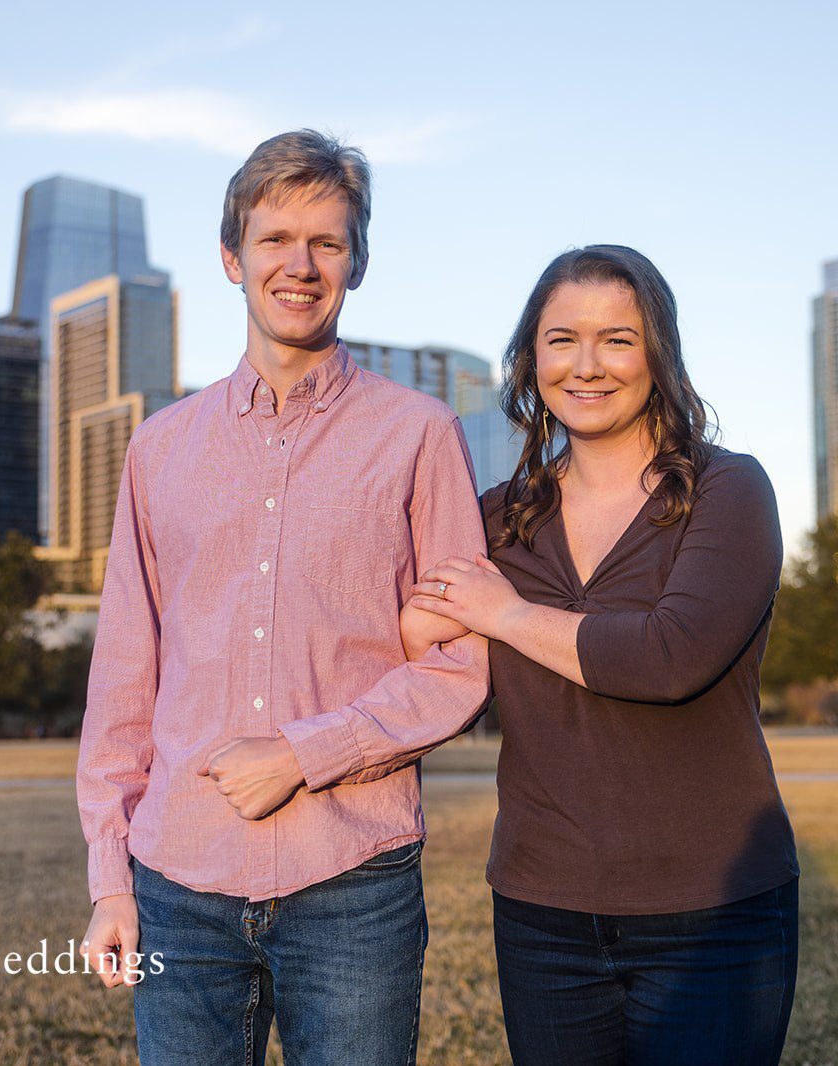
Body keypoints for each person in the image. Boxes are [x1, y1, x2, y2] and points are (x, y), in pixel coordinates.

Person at [76, 129, 490, 1065]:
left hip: (354, 882)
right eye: (274, 240)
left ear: (359, 262)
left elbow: (462, 662)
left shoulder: (420, 436)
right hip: (177, 879)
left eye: (328, 243)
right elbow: (124, 676)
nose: (299, 266)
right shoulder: (159, 449)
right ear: (232, 256)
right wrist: (111, 876)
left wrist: (304, 754)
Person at [403, 245, 799, 1065]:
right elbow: (419, 643)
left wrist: (506, 614)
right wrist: (448, 622)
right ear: (529, 358)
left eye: (617, 339)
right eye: (561, 340)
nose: (587, 366)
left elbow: (668, 657)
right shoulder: (496, 517)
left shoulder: (728, 492)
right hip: (541, 910)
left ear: (659, 353)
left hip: (712, 909)